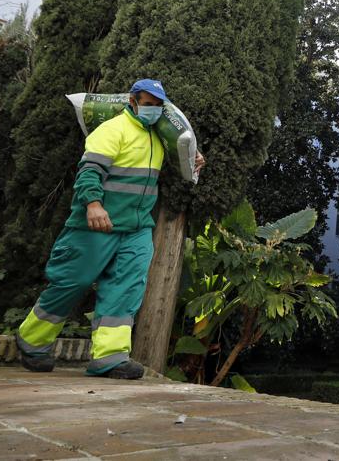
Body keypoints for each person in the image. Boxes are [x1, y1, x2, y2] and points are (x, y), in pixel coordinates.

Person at [16, 79, 204, 379]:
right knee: (72, 282)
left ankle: (110, 357)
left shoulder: (157, 138)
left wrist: (193, 159)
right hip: (96, 223)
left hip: (136, 228)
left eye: (158, 105)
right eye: (148, 103)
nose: (153, 110)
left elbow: (172, 165)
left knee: (126, 288)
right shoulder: (112, 130)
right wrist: (93, 204)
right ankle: (32, 340)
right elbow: (89, 171)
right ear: (132, 101)